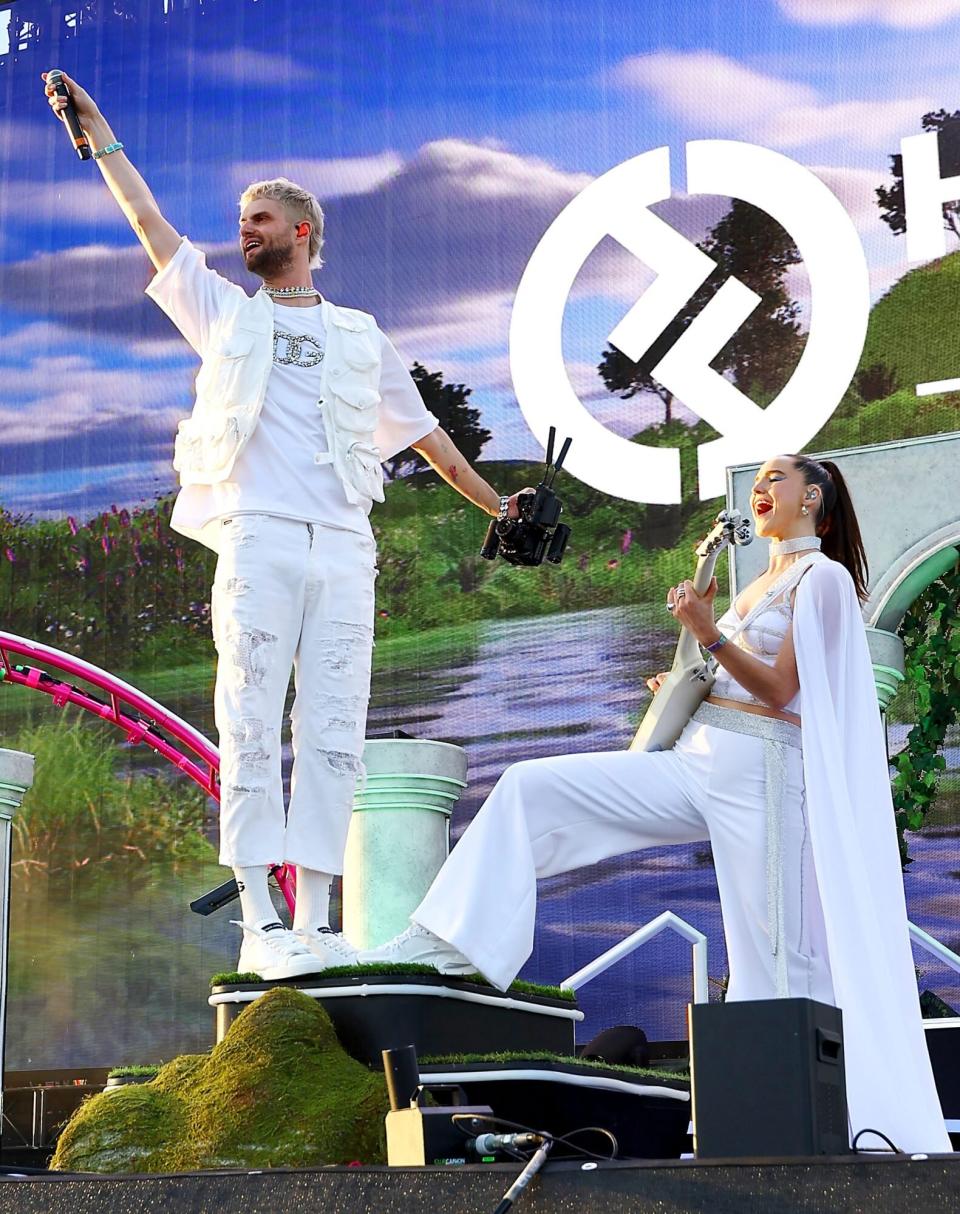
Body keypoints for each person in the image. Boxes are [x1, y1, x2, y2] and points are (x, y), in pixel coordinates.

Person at [44, 70, 521, 983]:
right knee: (252, 719)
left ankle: (319, 918)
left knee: (335, 728)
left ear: (300, 232)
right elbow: (150, 227)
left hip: (344, 545)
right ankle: (261, 920)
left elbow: (429, 441)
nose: (243, 230)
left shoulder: (360, 335)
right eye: (240, 219)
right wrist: (102, 137)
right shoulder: (222, 311)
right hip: (258, 534)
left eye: (258, 219)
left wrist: (498, 508)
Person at [362, 454, 951, 1153]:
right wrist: (686, 682)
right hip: (698, 755)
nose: (761, 489)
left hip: (762, 771)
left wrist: (707, 630)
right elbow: (735, 677)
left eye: (777, 480)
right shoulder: (759, 579)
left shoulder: (819, 578)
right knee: (530, 787)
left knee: (777, 957)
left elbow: (780, 690)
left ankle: (814, 1130)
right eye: (757, 480)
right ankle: (454, 943)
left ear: (814, 498)